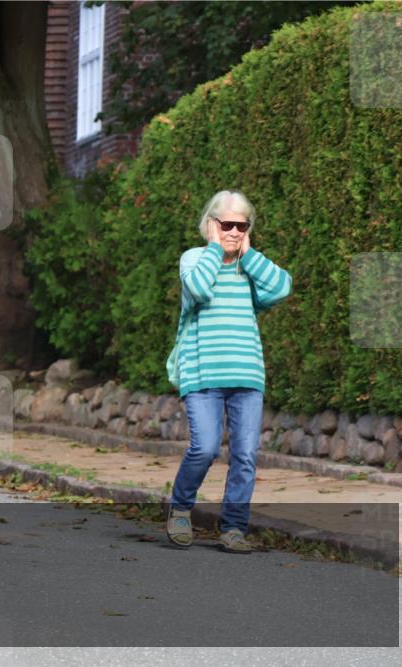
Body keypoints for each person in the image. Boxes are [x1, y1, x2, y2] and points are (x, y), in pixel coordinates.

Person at [165, 190, 292, 554]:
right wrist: (212, 247)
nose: (234, 231)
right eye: (226, 224)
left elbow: (282, 287)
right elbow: (199, 289)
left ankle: (234, 527)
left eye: (242, 225)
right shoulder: (194, 259)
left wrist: (249, 255)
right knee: (205, 448)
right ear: (211, 225)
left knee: (245, 455)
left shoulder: (248, 268)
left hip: (247, 376)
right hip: (202, 374)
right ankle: (180, 508)